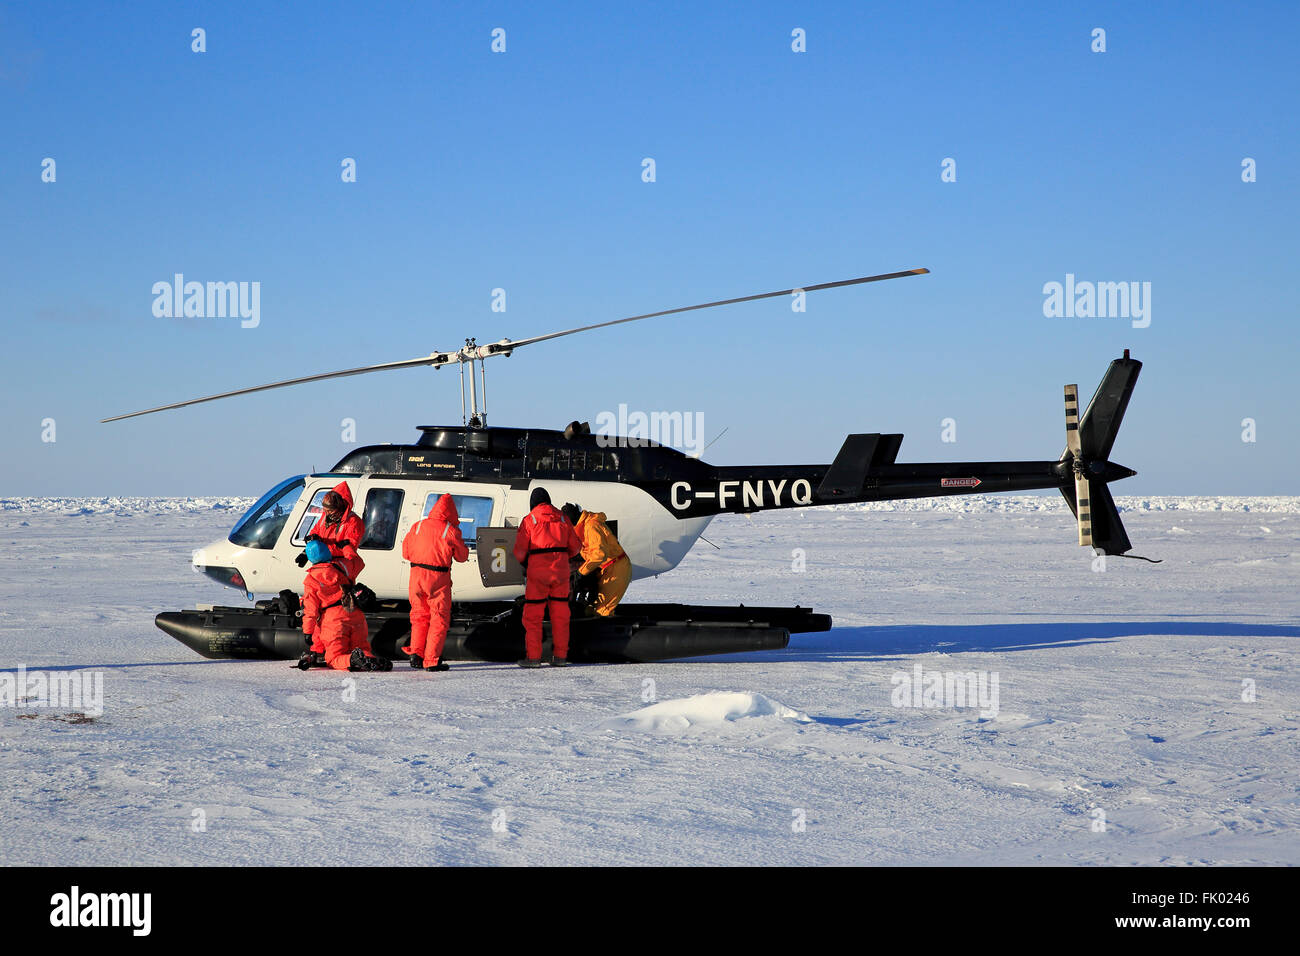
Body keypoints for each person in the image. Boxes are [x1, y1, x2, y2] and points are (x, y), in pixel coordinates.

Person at [296, 481, 369, 661]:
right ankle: (318, 649)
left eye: (331, 511)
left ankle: (332, 651)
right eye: (326, 511)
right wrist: (309, 548)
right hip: (324, 564)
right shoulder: (326, 518)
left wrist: (325, 550)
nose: (328, 514)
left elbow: (349, 548)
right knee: (322, 609)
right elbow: (317, 532)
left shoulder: (354, 522)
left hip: (339, 569)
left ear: (341, 506)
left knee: (324, 607)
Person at [512, 487, 581, 667]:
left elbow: (519, 551)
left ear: (533, 503)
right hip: (560, 573)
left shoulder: (530, 520)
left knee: (533, 616)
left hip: (538, 574)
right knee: (560, 616)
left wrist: (527, 563)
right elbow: (575, 547)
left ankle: (533, 658)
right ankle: (560, 657)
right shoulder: (564, 518)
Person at [400, 493, 469, 671]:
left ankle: (416, 654)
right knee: (438, 618)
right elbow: (462, 557)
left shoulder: (417, 525)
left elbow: (406, 553)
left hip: (415, 576)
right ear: (451, 513)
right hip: (437, 578)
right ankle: (431, 660)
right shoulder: (449, 530)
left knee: (419, 615)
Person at [298, 539, 390, 672]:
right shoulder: (345, 565)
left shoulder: (311, 580)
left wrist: (308, 631)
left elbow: (311, 610)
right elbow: (358, 562)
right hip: (355, 613)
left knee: (334, 658)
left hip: (333, 620)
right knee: (362, 648)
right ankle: (373, 660)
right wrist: (346, 547)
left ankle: (352, 660)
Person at [562, 503, 630, 617]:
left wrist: (580, 573)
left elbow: (599, 554)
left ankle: (609, 633)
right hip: (605, 569)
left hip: (616, 568)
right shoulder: (582, 528)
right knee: (590, 609)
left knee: (602, 612)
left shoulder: (591, 526)